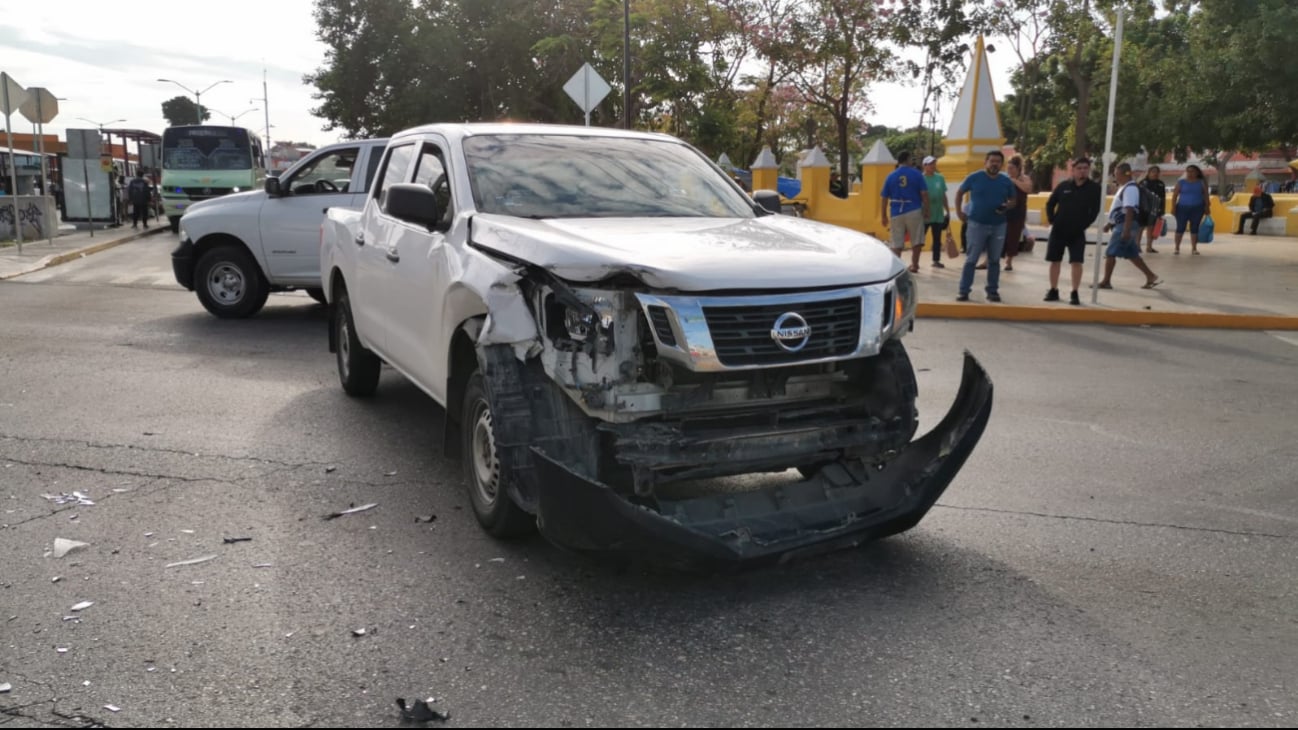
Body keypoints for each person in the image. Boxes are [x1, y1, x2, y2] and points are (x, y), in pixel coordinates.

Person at [954, 150, 1016, 302]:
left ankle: (992, 291)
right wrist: (959, 212)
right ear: (986, 162)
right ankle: (964, 291)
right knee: (971, 259)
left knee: (994, 260)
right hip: (976, 224)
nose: (994, 164)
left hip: (998, 225)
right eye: (992, 161)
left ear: (1001, 164)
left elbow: (1013, 200)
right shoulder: (974, 177)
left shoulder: (1006, 181)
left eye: (998, 162)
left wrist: (1006, 206)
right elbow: (959, 193)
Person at [1043, 157, 1101, 305]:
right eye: (1079, 168)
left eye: (1085, 168)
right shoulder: (1063, 186)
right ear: (1073, 170)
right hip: (1059, 230)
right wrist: (1052, 220)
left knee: (1076, 261)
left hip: (1077, 232)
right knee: (1054, 261)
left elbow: (1095, 211)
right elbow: (1050, 203)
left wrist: (1084, 224)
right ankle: (1053, 289)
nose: (1082, 171)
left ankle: (1074, 292)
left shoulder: (1094, 188)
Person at [1096, 162, 1161, 291]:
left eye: (1116, 174)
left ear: (1124, 174)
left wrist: (1126, 230)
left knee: (1110, 253)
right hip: (1123, 224)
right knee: (1132, 254)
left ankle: (1106, 281)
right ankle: (1151, 276)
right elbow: (1120, 209)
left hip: (1125, 225)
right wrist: (1110, 224)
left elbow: (1129, 209)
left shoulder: (1130, 188)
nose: (1115, 177)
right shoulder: (1125, 187)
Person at [879, 151, 929, 268]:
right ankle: (915, 264)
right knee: (916, 239)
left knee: (896, 241)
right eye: (911, 159)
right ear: (907, 159)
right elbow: (924, 194)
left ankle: (897, 266)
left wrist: (883, 215)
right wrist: (927, 209)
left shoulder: (891, 176)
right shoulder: (917, 174)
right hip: (913, 209)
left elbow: (884, 198)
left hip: (896, 211)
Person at [1001, 155, 1033, 272]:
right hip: (1004, 210)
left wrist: (1014, 180)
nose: (1009, 171)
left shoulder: (1024, 178)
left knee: (1013, 237)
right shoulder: (1003, 178)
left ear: (1018, 168)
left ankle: (1009, 261)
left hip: (1018, 211)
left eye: (1012, 168)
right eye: (1008, 168)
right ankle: (989, 260)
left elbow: (1028, 189)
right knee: (998, 235)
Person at [1172, 164, 1210, 255]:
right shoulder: (1181, 182)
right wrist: (1173, 207)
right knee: (1180, 228)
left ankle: (1194, 248)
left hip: (1197, 208)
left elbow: (1205, 195)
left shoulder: (1201, 182)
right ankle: (1177, 248)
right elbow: (1175, 195)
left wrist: (1207, 207)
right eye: (1188, 171)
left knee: (1195, 228)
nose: (1190, 173)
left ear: (1197, 172)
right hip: (1182, 208)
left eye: (1192, 171)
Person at [921, 155, 949, 269]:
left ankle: (936, 260)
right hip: (925, 213)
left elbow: (943, 195)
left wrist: (947, 209)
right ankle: (915, 259)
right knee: (920, 237)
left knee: (937, 238)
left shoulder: (940, 178)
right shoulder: (921, 178)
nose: (932, 166)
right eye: (930, 164)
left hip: (938, 213)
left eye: (934, 163)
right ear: (925, 166)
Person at [1139, 166, 1167, 253]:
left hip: (1155, 209)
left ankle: (1149, 246)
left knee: (1151, 227)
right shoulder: (1143, 183)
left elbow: (1163, 197)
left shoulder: (1161, 184)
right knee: (1141, 227)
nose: (1155, 173)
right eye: (1153, 171)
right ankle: (1137, 245)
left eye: (1157, 172)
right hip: (1143, 208)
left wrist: (1162, 210)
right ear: (1149, 172)